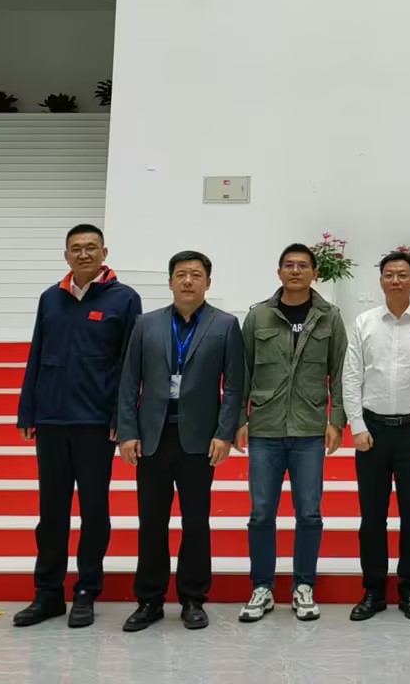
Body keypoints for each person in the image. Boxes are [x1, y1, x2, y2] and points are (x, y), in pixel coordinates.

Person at [14, 223, 142, 629]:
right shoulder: (50, 298)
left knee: (94, 511)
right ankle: (48, 592)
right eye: (76, 248)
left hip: (95, 423)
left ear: (104, 252)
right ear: (66, 255)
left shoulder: (125, 299)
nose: (83, 254)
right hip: (52, 418)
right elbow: (36, 352)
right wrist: (27, 410)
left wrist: (122, 417)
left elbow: (131, 365)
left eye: (91, 247)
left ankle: (87, 590)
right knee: (51, 512)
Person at [116, 250, 243, 632]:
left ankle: (193, 598)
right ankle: (149, 600)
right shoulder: (146, 324)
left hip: (199, 440)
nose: (188, 281)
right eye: (181, 274)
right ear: (170, 281)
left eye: (196, 275)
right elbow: (129, 381)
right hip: (153, 437)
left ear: (208, 282)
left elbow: (234, 385)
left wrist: (224, 433)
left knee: (196, 521)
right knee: (151, 521)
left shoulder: (225, 325)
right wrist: (127, 432)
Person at [236, 242, 348, 623]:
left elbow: (340, 372)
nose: (296, 271)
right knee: (261, 512)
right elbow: (242, 372)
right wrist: (239, 420)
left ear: (315, 273)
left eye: (303, 265)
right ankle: (262, 588)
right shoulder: (258, 317)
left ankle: (303, 587)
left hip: (310, 429)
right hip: (265, 428)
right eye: (289, 265)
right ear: (279, 272)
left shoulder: (329, 317)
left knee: (309, 513)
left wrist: (336, 420)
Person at [343, 251, 410, 622]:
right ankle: (373, 590)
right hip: (372, 432)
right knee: (372, 518)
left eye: (403, 274)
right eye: (389, 274)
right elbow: (351, 376)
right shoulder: (364, 322)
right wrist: (356, 425)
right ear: (381, 280)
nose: (396, 280)